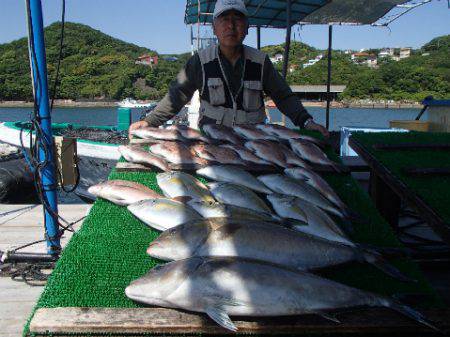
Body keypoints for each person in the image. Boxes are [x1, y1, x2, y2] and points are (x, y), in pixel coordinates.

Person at [129, 0, 329, 138]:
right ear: (214, 27)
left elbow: (283, 96)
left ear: (247, 27)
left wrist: (306, 122)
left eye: (238, 19)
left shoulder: (261, 62)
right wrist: (150, 121)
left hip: (254, 142)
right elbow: (177, 95)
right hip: (212, 140)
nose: (231, 26)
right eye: (224, 19)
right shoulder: (199, 61)